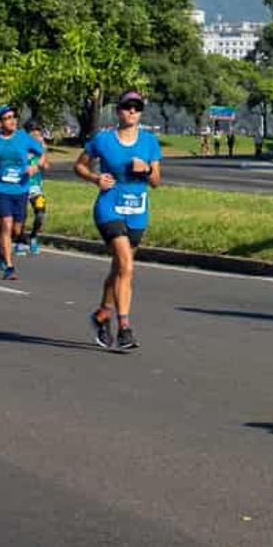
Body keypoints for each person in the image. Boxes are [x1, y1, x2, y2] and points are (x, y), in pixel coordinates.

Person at [74, 90, 162, 352]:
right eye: (127, 107)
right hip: (109, 207)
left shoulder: (149, 142)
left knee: (119, 269)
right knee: (127, 265)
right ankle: (124, 327)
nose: (132, 112)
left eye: (137, 107)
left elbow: (156, 181)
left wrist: (146, 170)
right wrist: (95, 178)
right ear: (118, 111)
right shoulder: (103, 140)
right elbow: (79, 165)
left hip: (137, 210)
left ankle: (102, 314)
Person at [0, 105, 45, 281]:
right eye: (7, 117)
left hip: (21, 188)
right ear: (0, 122)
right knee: (6, 224)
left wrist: (35, 166)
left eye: (14, 116)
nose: (12, 120)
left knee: (16, 229)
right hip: (0, 188)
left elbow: (42, 153)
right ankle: (9, 266)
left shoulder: (23, 137)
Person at [22, 121, 51, 255]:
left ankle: (33, 237)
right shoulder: (20, 146)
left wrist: (43, 154)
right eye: (33, 131)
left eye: (38, 132)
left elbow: (46, 166)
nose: (37, 134)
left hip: (35, 188)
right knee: (21, 216)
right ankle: (19, 240)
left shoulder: (40, 148)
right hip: (20, 187)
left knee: (40, 213)